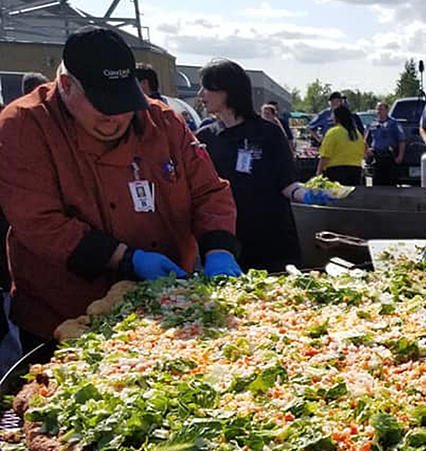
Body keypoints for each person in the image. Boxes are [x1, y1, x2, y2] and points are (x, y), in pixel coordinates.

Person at [0, 28, 242, 349]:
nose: (116, 118)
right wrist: (127, 259)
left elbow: (209, 192)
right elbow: (40, 223)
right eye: (103, 106)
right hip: (63, 313)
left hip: (172, 314)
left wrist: (219, 249)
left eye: (124, 103)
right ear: (67, 86)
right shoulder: (24, 126)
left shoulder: (164, 122)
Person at [195, 59, 305, 273]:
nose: (200, 95)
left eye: (206, 88)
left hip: (272, 242)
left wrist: (310, 194)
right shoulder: (205, 137)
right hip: (227, 244)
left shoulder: (268, 133)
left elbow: (287, 183)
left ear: (226, 91)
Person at [316, 105, 364, 185]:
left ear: (337, 117)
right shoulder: (357, 134)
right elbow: (362, 151)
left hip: (336, 171)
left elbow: (325, 155)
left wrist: (319, 172)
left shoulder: (333, 132)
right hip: (355, 171)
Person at [365, 101, 405, 186]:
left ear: (387, 110)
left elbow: (401, 140)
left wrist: (400, 156)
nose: (379, 111)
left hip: (389, 157)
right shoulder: (373, 124)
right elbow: (366, 141)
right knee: (377, 184)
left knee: (390, 184)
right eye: (378, 109)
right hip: (377, 158)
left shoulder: (394, 123)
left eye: (381, 109)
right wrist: (368, 152)